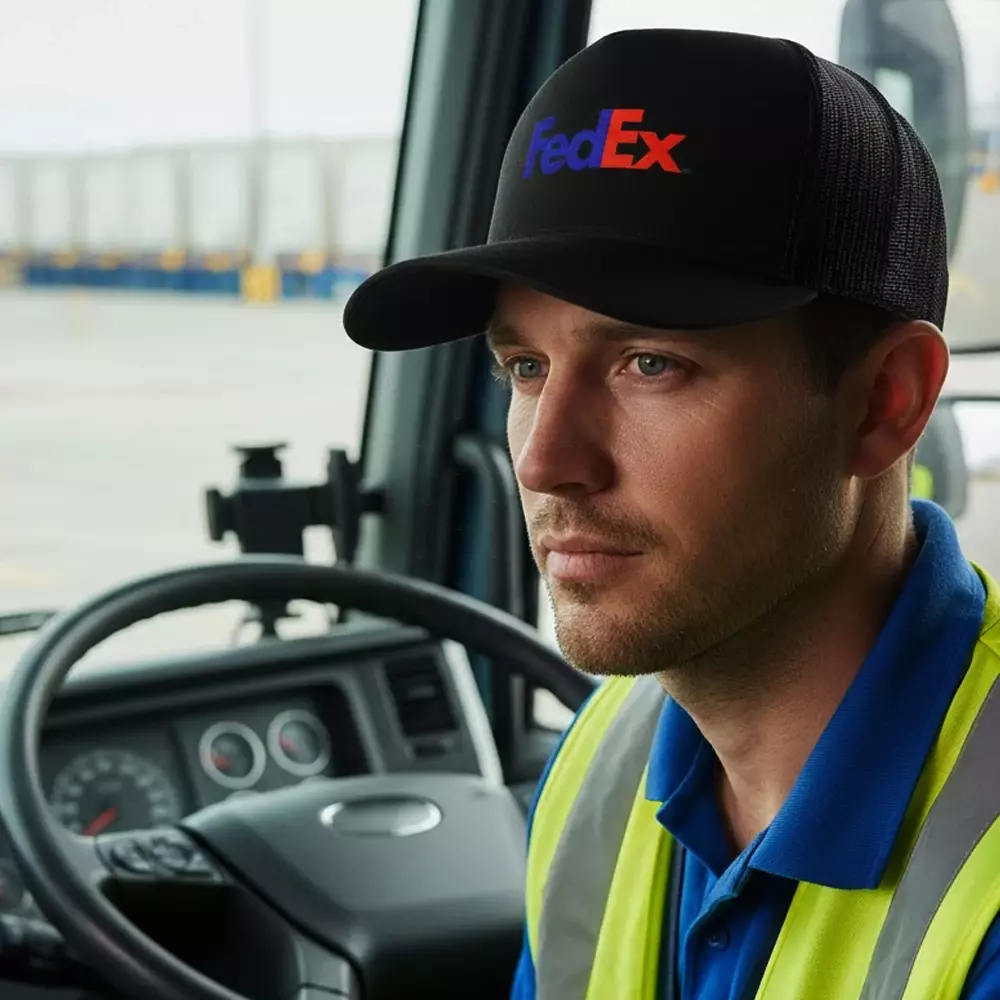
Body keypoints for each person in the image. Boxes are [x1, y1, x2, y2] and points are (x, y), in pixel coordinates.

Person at [343, 27, 1000, 1000]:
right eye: (525, 367)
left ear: (883, 403)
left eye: (649, 364)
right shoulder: (607, 755)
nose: (542, 459)